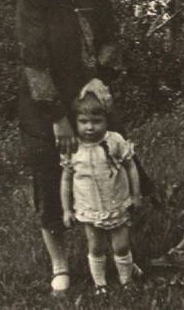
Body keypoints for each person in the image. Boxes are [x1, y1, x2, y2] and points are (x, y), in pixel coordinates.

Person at [16, 0, 120, 295]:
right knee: (50, 178)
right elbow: (34, 59)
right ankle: (60, 264)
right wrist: (57, 117)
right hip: (47, 102)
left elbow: (110, 35)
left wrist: (99, 78)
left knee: (107, 168)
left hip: (92, 96)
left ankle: (113, 251)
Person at [61, 92, 142, 295]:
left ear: (106, 120)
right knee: (96, 247)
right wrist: (66, 209)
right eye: (83, 122)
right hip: (90, 208)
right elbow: (66, 179)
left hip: (116, 204)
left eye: (96, 121)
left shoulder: (114, 141)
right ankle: (100, 284)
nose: (90, 127)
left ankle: (126, 281)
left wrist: (136, 195)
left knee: (121, 246)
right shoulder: (73, 147)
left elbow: (131, 167)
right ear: (75, 122)